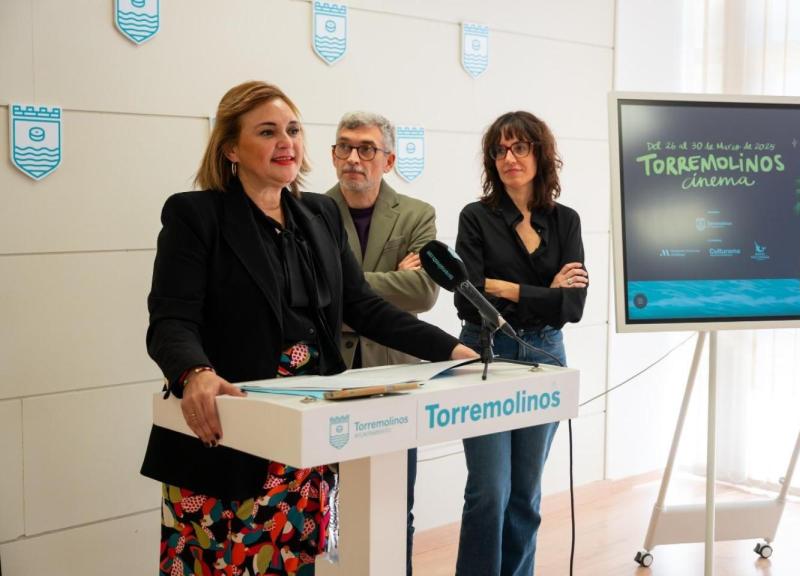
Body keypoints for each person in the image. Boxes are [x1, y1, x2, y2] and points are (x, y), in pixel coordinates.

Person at [139, 81, 476, 576]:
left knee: (294, 565)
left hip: (306, 433)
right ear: (231, 147)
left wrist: (450, 349)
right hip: (232, 433)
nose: (287, 142)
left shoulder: (318, 214)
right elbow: (171, 320)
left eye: (293, 130)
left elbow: (362, 306)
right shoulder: (196, 216)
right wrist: (195, 372)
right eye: (268, 131)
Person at [453, 111, 588, 576]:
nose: (509, 158)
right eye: (500, 150)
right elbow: (468, 298)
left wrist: (506, 288)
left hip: (546, 355)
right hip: (485, 352)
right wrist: (544, 292)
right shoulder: (476, 218)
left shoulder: (565, 221)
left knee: (526, 494)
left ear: (540, 153)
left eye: (520, 148)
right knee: (490, 491)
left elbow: (572, 308)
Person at [324, 111, 439, 576]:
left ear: (388, 159)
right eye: (344, 147)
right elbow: (306, 292)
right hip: (327, 375)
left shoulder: (416, 213)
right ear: (332, 155)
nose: (354, 157)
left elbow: (426, 293)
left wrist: (342, 284)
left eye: (366, 148)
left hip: (394, 375)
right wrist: (392, 280)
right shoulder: (311, 210)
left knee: (395, 506)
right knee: (327, 508)